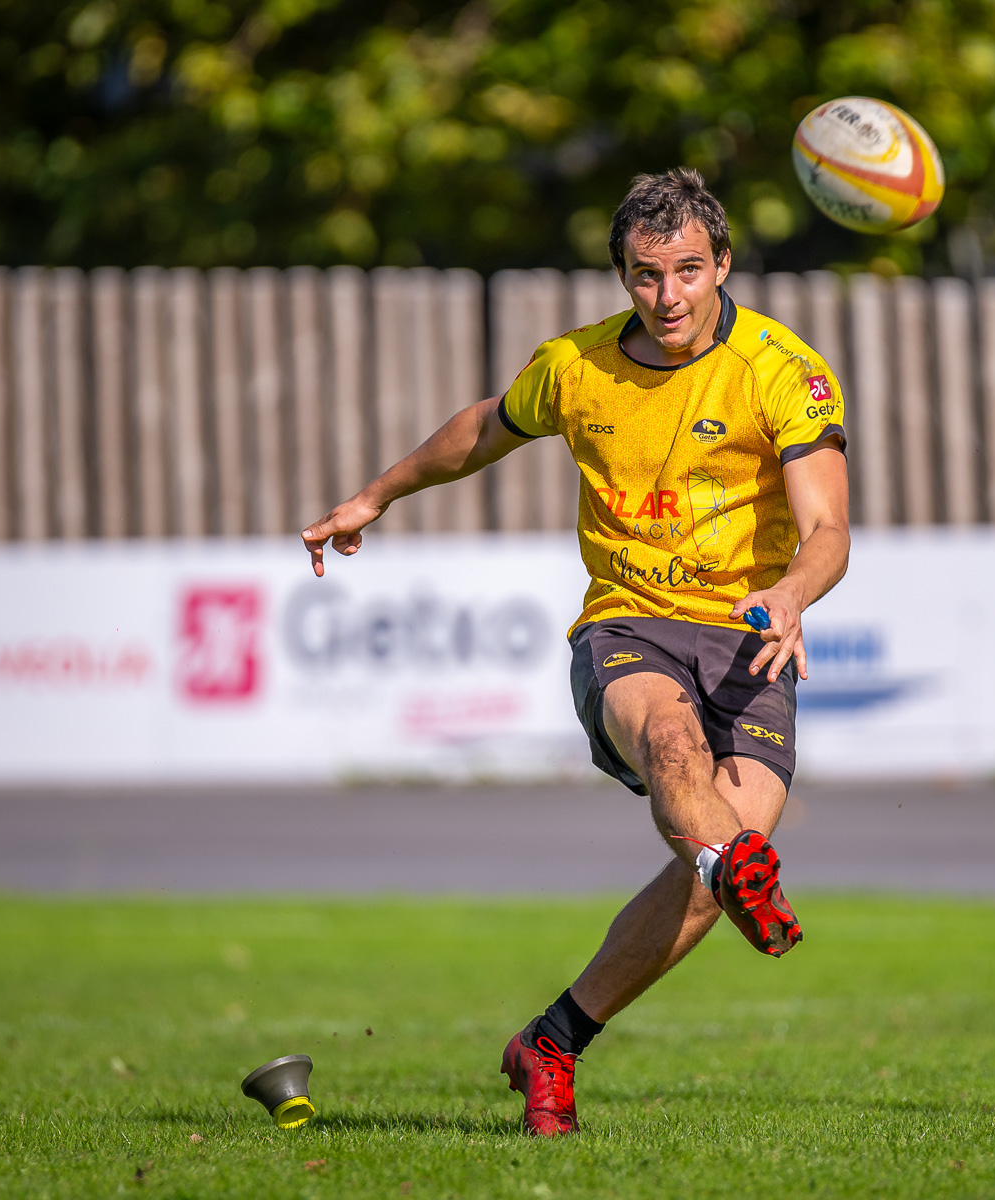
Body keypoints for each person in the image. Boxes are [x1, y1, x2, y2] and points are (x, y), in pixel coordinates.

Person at [301, 167, 850, 1136]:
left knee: (713, 877)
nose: (668, 296)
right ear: (622, 277)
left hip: (751, 636)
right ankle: (733, 862)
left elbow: (829, 529)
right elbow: (480, 430)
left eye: (688, 270)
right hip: (626, 626)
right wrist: (376, 495)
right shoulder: (578, 366)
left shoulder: (783, 371)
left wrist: (793, 594)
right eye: (645, 275)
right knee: (678, 756)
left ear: (723, 262)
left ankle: (552, 1040)